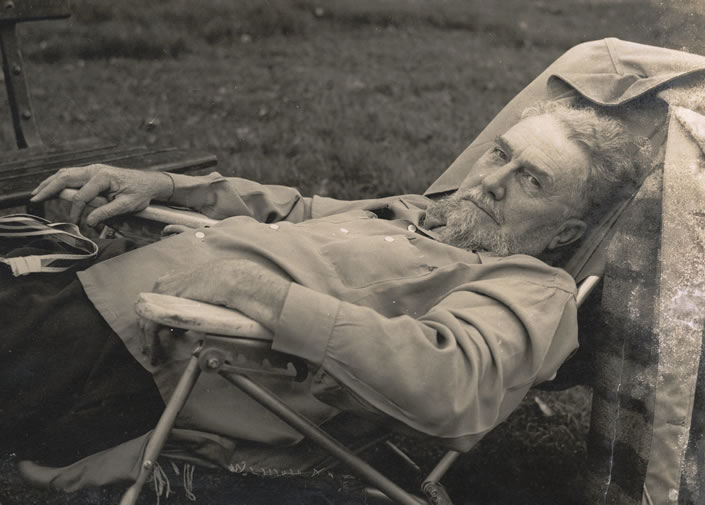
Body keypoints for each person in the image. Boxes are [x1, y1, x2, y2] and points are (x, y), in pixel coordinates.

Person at [1, 101, 645, 484]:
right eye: (499, 154)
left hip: (145, 344)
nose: (492, 181)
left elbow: (454, 381)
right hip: (100, 278)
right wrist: (163, 186)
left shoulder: (529, 286)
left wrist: (265, 296)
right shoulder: (423, 213)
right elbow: (297, 208)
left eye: (530, 179)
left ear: (569, 230)